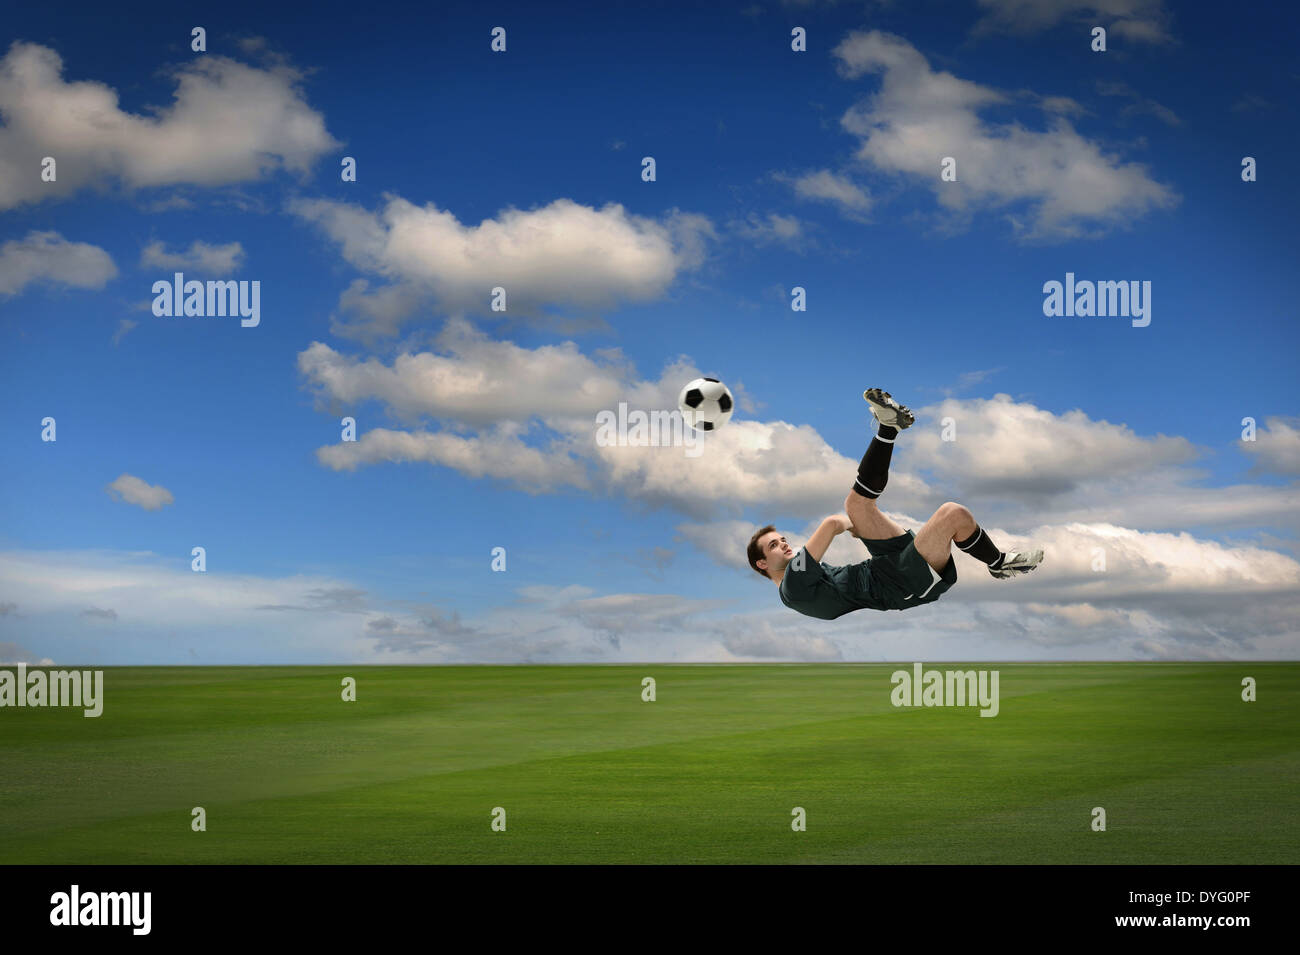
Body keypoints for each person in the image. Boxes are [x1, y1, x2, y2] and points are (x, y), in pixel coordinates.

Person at [746, 388, 1044, 620]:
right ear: (762, 564)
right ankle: (999, 563)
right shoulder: (793, 587)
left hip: (882, 565)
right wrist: (850, 525)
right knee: (952, 514)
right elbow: (831, 524)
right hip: (900, 584)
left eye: (782, 539)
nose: (784, 544)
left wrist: (858, 522)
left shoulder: (800, 583)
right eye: (773, 546)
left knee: (858, 505)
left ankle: (889, 425)